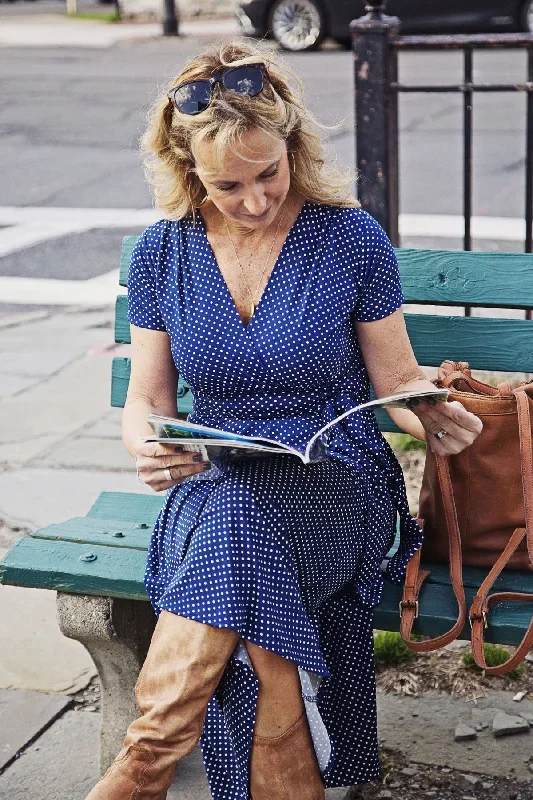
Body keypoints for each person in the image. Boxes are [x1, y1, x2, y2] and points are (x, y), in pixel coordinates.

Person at [85, 40, 482, 800]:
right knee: (243, 543)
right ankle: (173, 763)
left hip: (339, 484)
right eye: (227, 183)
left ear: (292, 145)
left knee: (237, 533)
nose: (255, 199)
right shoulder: (161, 254)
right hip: (219, 477)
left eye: (268, 173)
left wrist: (433, 414)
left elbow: (396, 382)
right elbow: (148, 400)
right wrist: (146, 443)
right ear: (185, 168)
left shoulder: (348, 239)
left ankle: (143, 766)